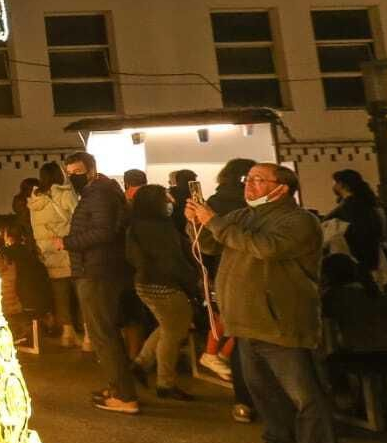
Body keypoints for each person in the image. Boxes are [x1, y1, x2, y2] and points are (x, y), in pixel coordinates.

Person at [187, 163, 337, 443]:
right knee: (263, 391)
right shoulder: (243, 216)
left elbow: (267, 248)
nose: (249, 185)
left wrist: (213, 221)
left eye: (259, 179)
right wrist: (197, 222)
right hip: (245, 322)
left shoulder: (299, 221)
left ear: (282, 187)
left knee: (305, 394)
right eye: (249, 179)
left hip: (280, 321)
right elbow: (212, 243)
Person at [59, 151, 139, 414]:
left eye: (78, 172)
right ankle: (117, 387)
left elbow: (103, 231)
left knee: (103, 333)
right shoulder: (100, 192)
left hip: (96, 270)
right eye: (69, 174)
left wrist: (67, 242)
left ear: (92, 170)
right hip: (98, 268)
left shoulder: (100, 194)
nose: (74, 178)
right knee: (104, 332)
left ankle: (124, 395)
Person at [125, 185, 200, 400]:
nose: (170, 200)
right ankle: (165, 382)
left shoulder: (136, 225)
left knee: (170, 326)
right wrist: (192, 281)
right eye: (165, 196)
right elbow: (173, 261)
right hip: (165, 284)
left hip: (144, 283)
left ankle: (141, 364)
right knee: (173, 332)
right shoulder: (160, 228)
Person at [198, 157, 258, 421]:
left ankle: (244, 401)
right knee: (247, 332)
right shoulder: (250, 207)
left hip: (224, 271)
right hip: (249, 271)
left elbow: (204, 244)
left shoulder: (215, 202)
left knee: (240, 329)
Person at [28, 162, 80, 347]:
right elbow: (78, 218)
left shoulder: (35, 201)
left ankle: (67, 333)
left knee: (61, 295)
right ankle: (89, 334)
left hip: (49, 253)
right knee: (81, 294)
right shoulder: (65, 194)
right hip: (69, 250)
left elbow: (35, 229)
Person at [322, 168, 386, 289]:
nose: (334, 186)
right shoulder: (367, 204)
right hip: (371, 257)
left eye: (336, 183)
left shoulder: (349, 207)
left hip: (353, 259)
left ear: (342, 185)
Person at [12, 177, 42, 247]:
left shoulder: (20, 201)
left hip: (28, 235)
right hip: (31, 235)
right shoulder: (25, 203)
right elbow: (27, 220)